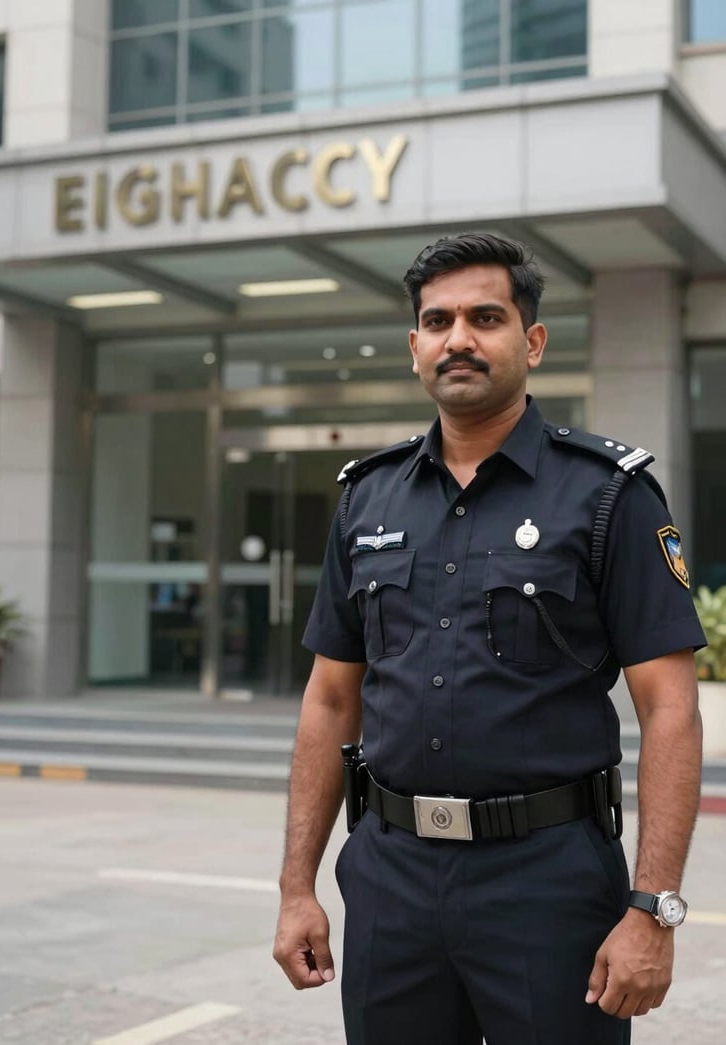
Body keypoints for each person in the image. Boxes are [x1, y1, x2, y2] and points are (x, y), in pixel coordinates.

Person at [273, 231, 704, 1044]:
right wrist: (298, 886)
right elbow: (331, 699)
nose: (458, 338)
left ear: (531, 341)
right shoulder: (367, 499)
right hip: (390, 875)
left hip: (548, 882)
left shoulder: (610, 494)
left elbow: (670, 710)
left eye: (485, 316)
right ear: (414, 347)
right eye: (437, 321)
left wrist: (654, 907)